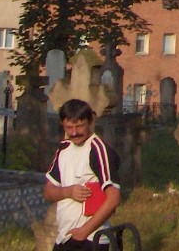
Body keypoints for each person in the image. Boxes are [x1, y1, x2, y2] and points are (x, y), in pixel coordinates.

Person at [44, 98, 121, 249]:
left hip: (90, 239)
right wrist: (68, 191)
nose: (74, 133)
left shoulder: (98, 149)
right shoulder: (63, 149)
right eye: (69, 127)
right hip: (64, 237)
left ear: (90, 122)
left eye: (79, 126)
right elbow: (48, 191)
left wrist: (84, 231)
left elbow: (114, 198)